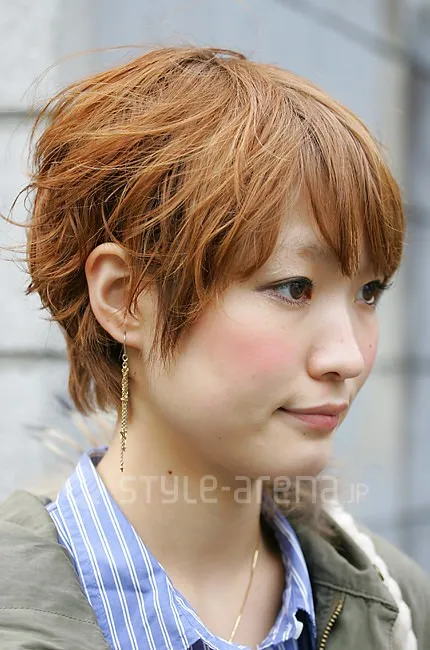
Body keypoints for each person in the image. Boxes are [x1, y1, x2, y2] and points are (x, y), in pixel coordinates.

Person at [0, 45, 428, 650]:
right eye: (294, 287)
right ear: (126, 299)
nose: (349, 357)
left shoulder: (394, 605)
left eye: (369, 292)